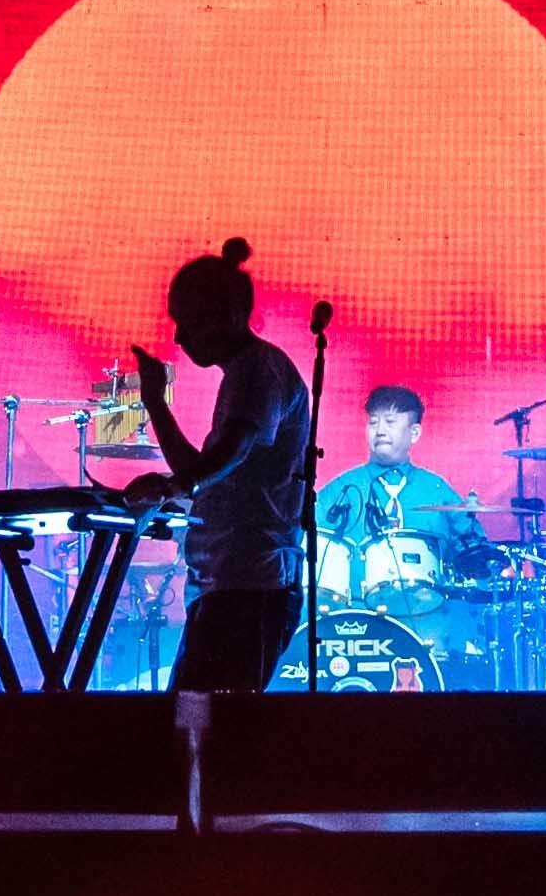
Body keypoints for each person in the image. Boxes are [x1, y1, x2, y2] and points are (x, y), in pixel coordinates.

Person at [127, 240, 318, 695]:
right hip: (227, 586)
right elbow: (202, 470)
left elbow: (229, 452)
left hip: (250, 588)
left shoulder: (259, 370)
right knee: (194, 715)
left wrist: (173, 486)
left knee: (206, 719)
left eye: (188, 322)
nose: (179, 338)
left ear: (227, 316)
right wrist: (155, 402)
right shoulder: (244, 373)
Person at [313, 384, 487, 596]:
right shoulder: (343, 489)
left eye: (390, 422)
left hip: (428, 608)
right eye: (373, 422)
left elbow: (472, 549)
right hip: (358, 608)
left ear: (414, 433)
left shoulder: (436, 489)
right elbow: (307, 539)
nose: (379, 431)